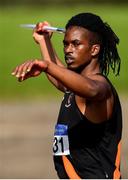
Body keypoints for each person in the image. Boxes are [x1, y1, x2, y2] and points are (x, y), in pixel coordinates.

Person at [12, 12, 122, 179]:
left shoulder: (101, 88)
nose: (68, 50)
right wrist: (44, 41)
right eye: (66, 44)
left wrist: (46, 66)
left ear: (94, 49)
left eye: (76, 44)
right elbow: (63, 80)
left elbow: (91, 89)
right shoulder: (77, 87)